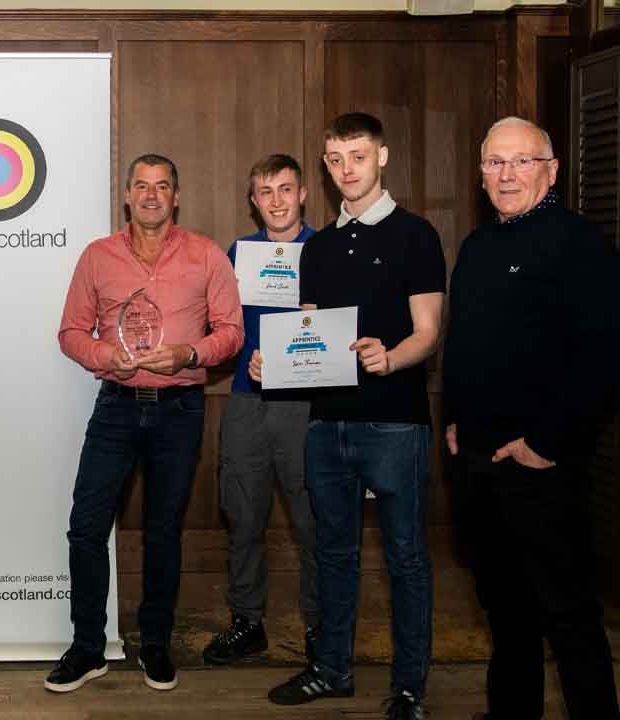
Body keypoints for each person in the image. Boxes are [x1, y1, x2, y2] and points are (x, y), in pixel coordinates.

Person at [259, 113, 444, 720]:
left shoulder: (417, 235)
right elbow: (310, 333)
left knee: (406, 558)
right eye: (335, 159)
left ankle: (410, 688)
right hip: (326, 424)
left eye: (357, 157)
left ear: (382, 157)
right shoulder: (320, 248)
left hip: (395, 423)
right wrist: (275, 361)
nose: (346, 170)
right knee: (332, 553)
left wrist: (389, 359)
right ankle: (332, 670)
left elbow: (428, 334)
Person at [47, 153, 243, 693]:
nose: (152, 195)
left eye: (162, 186)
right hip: (116, 404)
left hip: (179, 409)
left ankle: (155, 643)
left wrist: (188, 354)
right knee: (86, 527)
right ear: (128, 196)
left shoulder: (205, 255)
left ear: (176, 197)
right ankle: (88, 647)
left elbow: (231, 331)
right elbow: (69, 332)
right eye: (142, 186)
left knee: (163, 531)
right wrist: (104, 356)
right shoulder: (97, 256)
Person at [445, 117, 620, 720]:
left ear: (551, 170)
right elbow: (462, 344)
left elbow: (604, 356)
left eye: (521, 161)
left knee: (568, 615)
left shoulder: (580, 244)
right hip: (478, 465)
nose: (506, 174)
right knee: (505, 611)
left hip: (543, 466)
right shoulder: (476, 246)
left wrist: (545, 442)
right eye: (494, 163)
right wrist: (453, 421)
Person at [203, 154, 319, 666]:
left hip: (308, 407)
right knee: (243, 516)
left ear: (303, 195)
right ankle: (247, 622)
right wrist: (233, 349)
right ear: (253, 201)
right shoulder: (238, 253)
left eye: (285, 189)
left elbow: (338, 331)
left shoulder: (327, 250)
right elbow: (225, 327)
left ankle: (322, 628)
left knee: (314, 522)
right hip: (248, 403)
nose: (276, 200)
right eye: (265, 192)